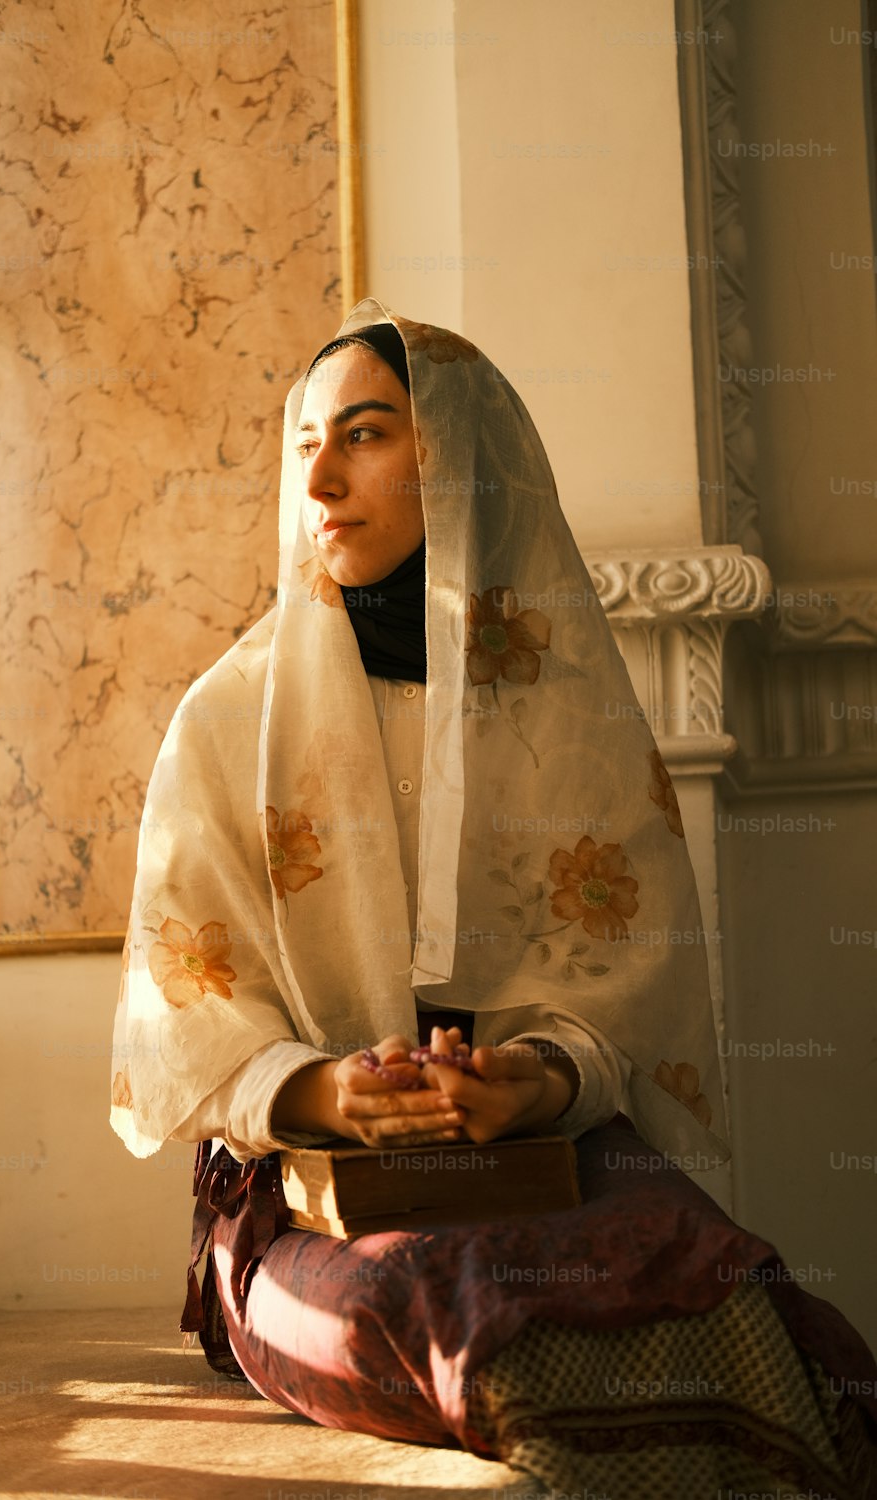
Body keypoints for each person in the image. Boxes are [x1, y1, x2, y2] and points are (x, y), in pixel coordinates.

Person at [111, 299, 877, 1497]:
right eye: (304, 442)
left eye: (364, 434)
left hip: (538, 1147)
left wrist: (542, 1073)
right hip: (304, 1185)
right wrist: (329, 1092)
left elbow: (619, 979)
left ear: (458, 460)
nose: (320, 477)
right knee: (458, 1314)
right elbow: (182, 1009)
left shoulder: (566, 706)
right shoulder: (226, 720)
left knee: (727, 1287)